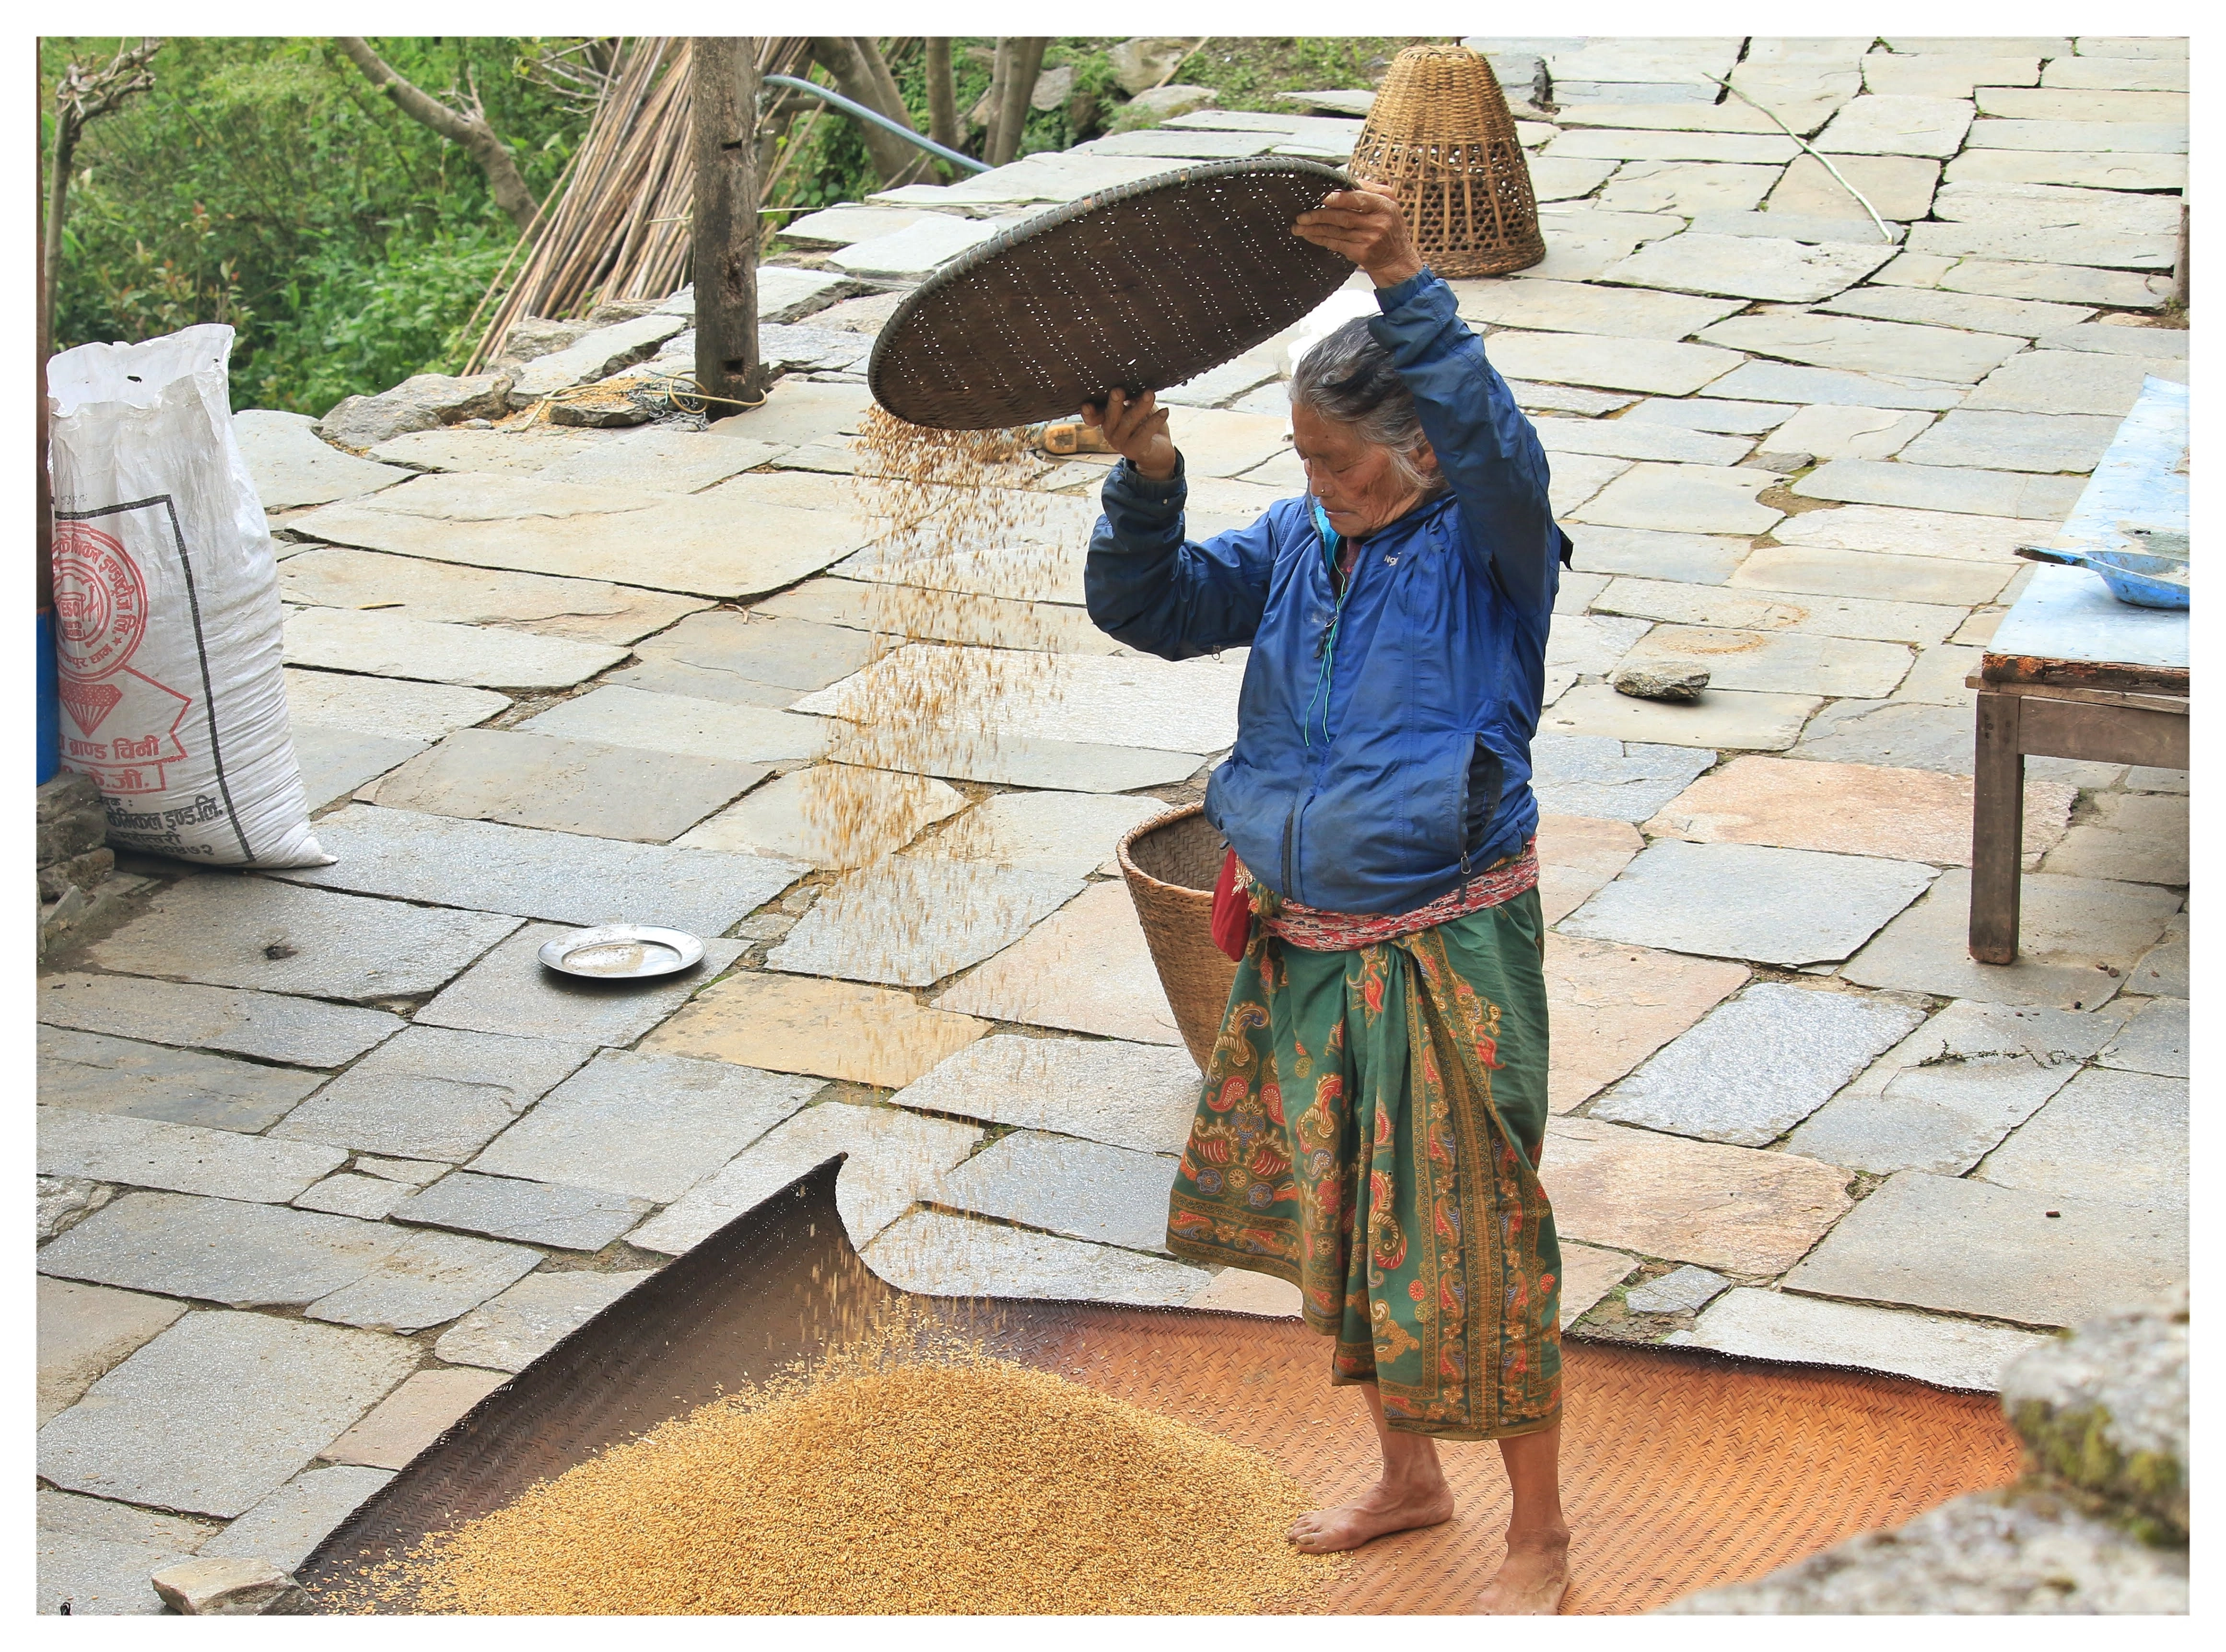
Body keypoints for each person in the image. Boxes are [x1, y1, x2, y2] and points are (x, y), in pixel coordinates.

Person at [1080, 180, 1573, 1615]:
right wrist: (1151, 474)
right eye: (1301, 459)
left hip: (1442, 940)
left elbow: (1494, 439)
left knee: (1471, 1229)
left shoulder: (1496, 545)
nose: (1320, 485)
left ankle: (1537, 1530)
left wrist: (1411, 282)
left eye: (1343, 463)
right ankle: (1409, 1474)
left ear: (1422, 448)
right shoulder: (1306, 542)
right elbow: (1154, 610)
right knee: (1349, 1225)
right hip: (1303, 943)